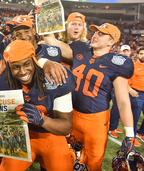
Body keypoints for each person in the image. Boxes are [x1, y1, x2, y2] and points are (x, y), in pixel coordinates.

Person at [44, 23, 135, 170]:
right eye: (95, 32)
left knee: (93, 164)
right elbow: (52, 41)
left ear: (111, 41)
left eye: (101, 34)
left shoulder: (118, 63)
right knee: (69, 160)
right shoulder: (80, 48)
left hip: (96, 122)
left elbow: (123, 102)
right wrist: (43, 19)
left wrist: (130, 134)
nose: (95, 35)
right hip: (71, 116)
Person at [0, 40, 76, 171]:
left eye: (27, 64)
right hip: (20, 136)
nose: (22, 71)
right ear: (9, 67)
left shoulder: (55, 77)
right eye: (16, 67)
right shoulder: (5, 82)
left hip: (50, 135)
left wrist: (42, 120)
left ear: (34, 60)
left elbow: (66, 126)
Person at [108, 45, 134, 141]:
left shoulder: (130, 63)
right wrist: (130, 89)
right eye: (124, 51)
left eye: (127, 51)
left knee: (120, 109)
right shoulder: (115, 62)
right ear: (120, 51)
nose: (126, 53)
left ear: (130, 52)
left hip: (123, 88)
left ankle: (113, 126)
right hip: (114, 88)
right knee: (114, 108)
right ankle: (111, 128)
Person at [128, 47, 144, 144]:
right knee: (135, 116)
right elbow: (126, 79)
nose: (143, 55)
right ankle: (132, 137)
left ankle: (141, 132)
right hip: (137, 94)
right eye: (141, 53)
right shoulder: (132, 66)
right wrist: (130, 90)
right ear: (137, 55)